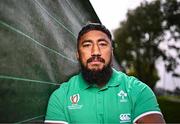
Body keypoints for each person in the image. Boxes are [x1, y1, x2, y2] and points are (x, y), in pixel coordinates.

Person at [45, 23, 165, 124]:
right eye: (87, 45)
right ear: (78, 54)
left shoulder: (138, 91)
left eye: (102, 44)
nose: (95, 52)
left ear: (111, 52)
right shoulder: (60, 97)